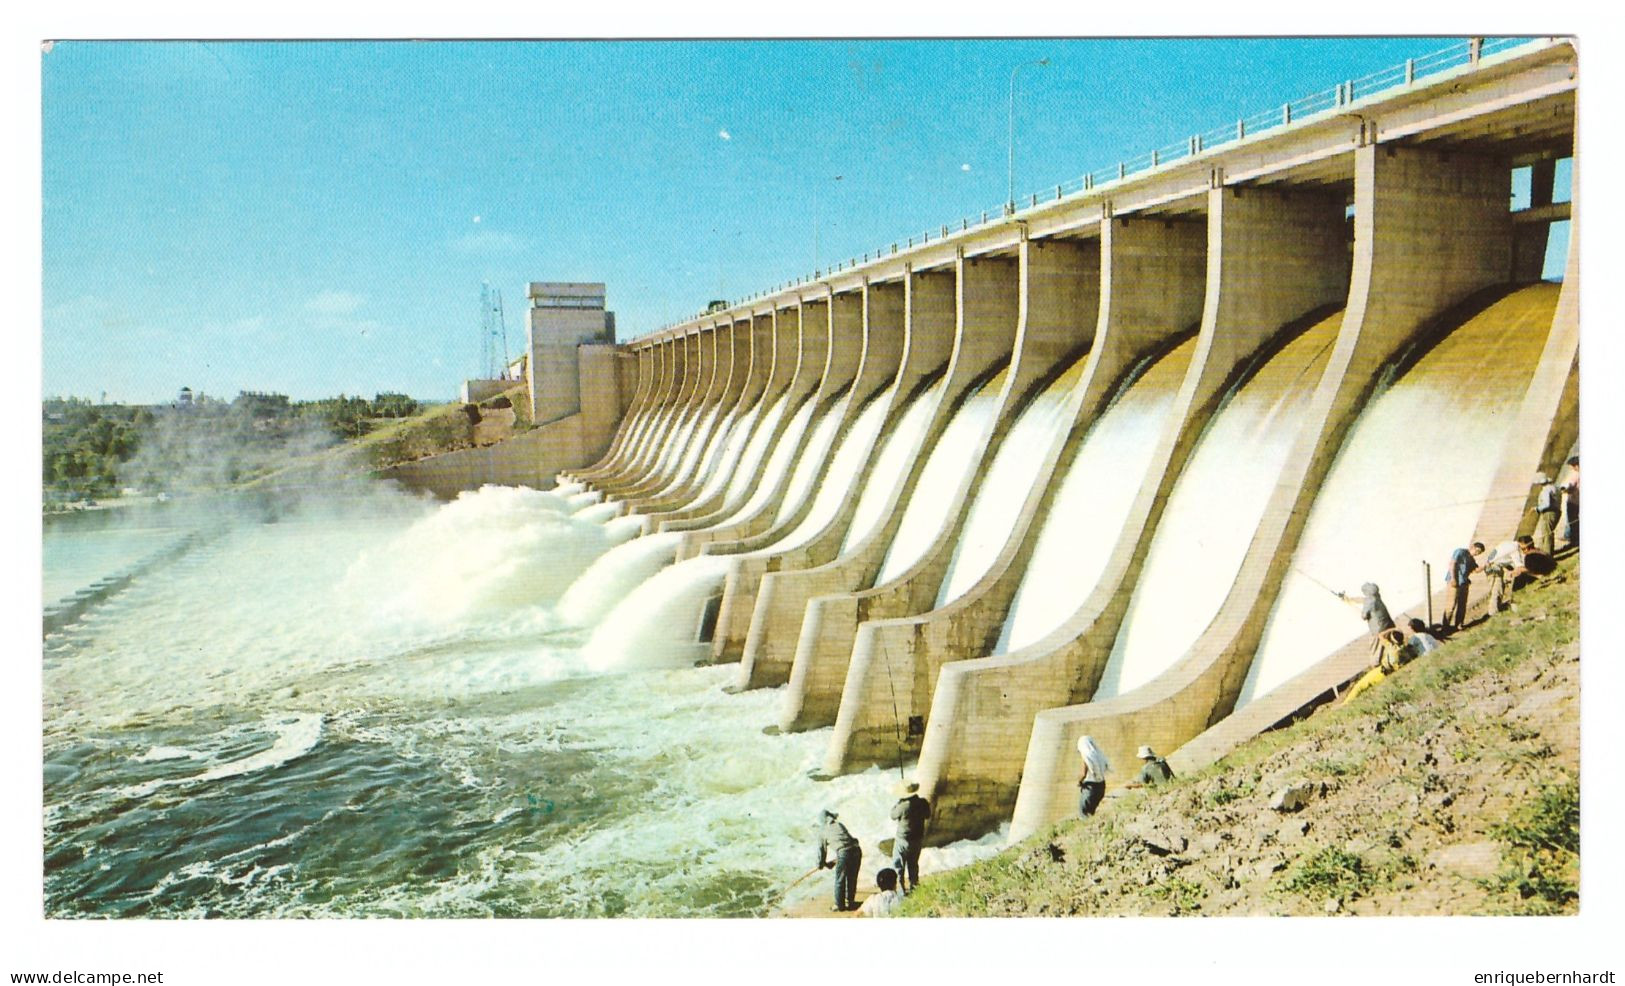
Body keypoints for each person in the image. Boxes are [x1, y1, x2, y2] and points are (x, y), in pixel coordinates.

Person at [1342, 628, 1410, 705]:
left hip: (1382, 672)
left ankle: (1345, 703)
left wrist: (1392, 629)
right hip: (1389, 670)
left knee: (1359, 686)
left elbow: (1380, 635)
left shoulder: (1390, 647)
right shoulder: (1403, 648)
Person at [815, 809, 862, 912]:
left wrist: (820, 865)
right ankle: (851, 902)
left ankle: (839, 905)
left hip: (844, 853)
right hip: (856, 850)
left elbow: (821, 852)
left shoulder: (822, 832)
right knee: (852, 878)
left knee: (839, 880)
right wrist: (829, 863)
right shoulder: (839, 825)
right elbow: (850, 840)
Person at [889, 782, 931, 894]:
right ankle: (914, 887)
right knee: (913, 864)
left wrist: (898, 803)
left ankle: (901, 891)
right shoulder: (923, 803)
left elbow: (892, 815)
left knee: (899, 865)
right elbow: (927, 815)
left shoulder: (903, 806)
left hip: (903, 840)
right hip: (917, 839)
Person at [1340, 582, 1395, 657]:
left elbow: (1364, 616)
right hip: (1388, 624)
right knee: (1391, 642)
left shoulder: (1369, 602)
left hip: (1378, 629)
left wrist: (1351, 605)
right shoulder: (1376, 596)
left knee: (1376, 650)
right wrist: (1349, 599)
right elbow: (1363, 600)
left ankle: (1378, 663)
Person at [1442, 544, 1484, 630]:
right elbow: (1452, 564)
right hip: (1454, 581)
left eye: (1479, 553)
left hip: (1464, 583)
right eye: (1477, 551)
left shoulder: (1471, 559)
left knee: (1462, 605)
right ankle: (1445, 627)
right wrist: (1453, 578)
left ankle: (1459, 624)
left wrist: (1485, 566)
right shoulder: (1460, 552)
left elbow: (1476, 569)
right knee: (1451, 605)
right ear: (1472, 547)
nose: (1477, 553)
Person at [1076, 735, 1110, 817]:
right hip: (1101, 785)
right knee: (1092, 811)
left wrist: (1079, 781)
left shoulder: (1087, 756)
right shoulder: (1098, 754)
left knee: (1084, 813)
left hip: (1090, 788)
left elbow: (1083, 774)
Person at [1530, 473, 1561, 555]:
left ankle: (1548, 554)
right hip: (1556, 512)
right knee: (1549, 532)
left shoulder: (1546, 490)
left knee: (1547, 534)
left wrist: (1537, 508)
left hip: (1549, 513)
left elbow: (1547, 504)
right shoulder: (1554, 487)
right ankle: (1548, 551)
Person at [1561, 456, 1579, 548]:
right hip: (1578, 501)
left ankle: (1573, 540)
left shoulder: (1576, 475)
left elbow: (1571, 487)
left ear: (1576, 466)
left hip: (1573, 502)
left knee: (1572, 521)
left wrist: (1564, 490)